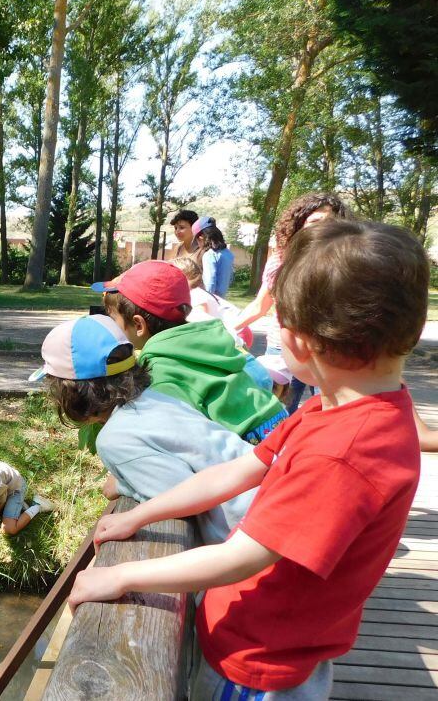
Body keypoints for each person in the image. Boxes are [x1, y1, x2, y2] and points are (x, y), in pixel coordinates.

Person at [68, 220, 429, 700]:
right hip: (261, 639)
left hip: (259, 664)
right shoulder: (331, 410)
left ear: (297, 342)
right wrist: (142, 513)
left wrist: (120, 574)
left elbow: (243, 557)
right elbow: (237, 471)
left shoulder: (341, 452)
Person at [31, 315, 255, 544]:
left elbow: (180, 496)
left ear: (71, 392)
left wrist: (123, 484)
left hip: (256, 531)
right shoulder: (156, 397)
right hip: (267, 496)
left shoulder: (114, 439)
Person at [94, 260, 287, 444]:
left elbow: (180, 441)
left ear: (138, 324)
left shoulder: (161, 372)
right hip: (280, 429)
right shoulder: (208, 340)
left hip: (254, 453)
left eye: (114, 318)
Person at [233, 192, 349, 412]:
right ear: (298, 225)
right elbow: (260, 305)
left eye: (331, 221)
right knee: (276, 417)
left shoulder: (345, 264)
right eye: (315, 221)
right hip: (282, 350)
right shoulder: (279, 261)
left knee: (332, 414)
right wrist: (228, 329)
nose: (323, 227)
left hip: (328, 352)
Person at [194, 218, 234, 298]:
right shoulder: (228, 253)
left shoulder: (209, 255)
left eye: (196, 241)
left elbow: (210, 282)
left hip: (212, 300)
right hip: (222, 299)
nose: (198, 245)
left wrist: (207, 299)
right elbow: (230, 278)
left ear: (201, 238)